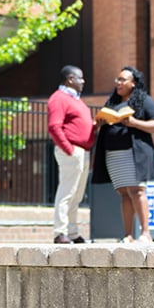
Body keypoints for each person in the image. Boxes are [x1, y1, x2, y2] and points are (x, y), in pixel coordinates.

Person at [91, 66, 154, 243]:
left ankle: (146, 233)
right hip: (113, 154)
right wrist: (99, 123)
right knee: (124, 192)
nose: (119, 83)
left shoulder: (144, 100)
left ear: (134, 83)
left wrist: (133, 123)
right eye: (117, 80)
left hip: (134, 153)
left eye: (123, 80)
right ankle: (128, 235)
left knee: (137, 190)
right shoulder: (112, 102)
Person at [47, 65, 96, 244]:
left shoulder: (76, 100)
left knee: (77, 194)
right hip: (72, 151)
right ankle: (60, 232)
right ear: (69, 79)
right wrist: (68, 149)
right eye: (79, 78)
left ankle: (73, 232)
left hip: (82, 152)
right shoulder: (59, 99)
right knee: (67, 191)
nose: (83, 81)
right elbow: (54, 126)